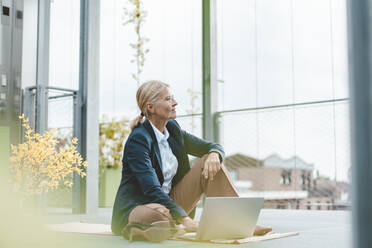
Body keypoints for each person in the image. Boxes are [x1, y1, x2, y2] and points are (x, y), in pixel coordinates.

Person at [111, 80, 272, 242]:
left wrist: (214, 154)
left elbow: (211, 146)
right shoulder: (138, 140)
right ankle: (170, 226)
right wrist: (185, 218)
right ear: (150, 107)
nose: (175, 102)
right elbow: (151, 188)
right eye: (168, 99)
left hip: (171, 202)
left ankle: (240, 223)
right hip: (141, 205)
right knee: (158, 216)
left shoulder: (173, 129)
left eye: (172, 98)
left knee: (209, 162)